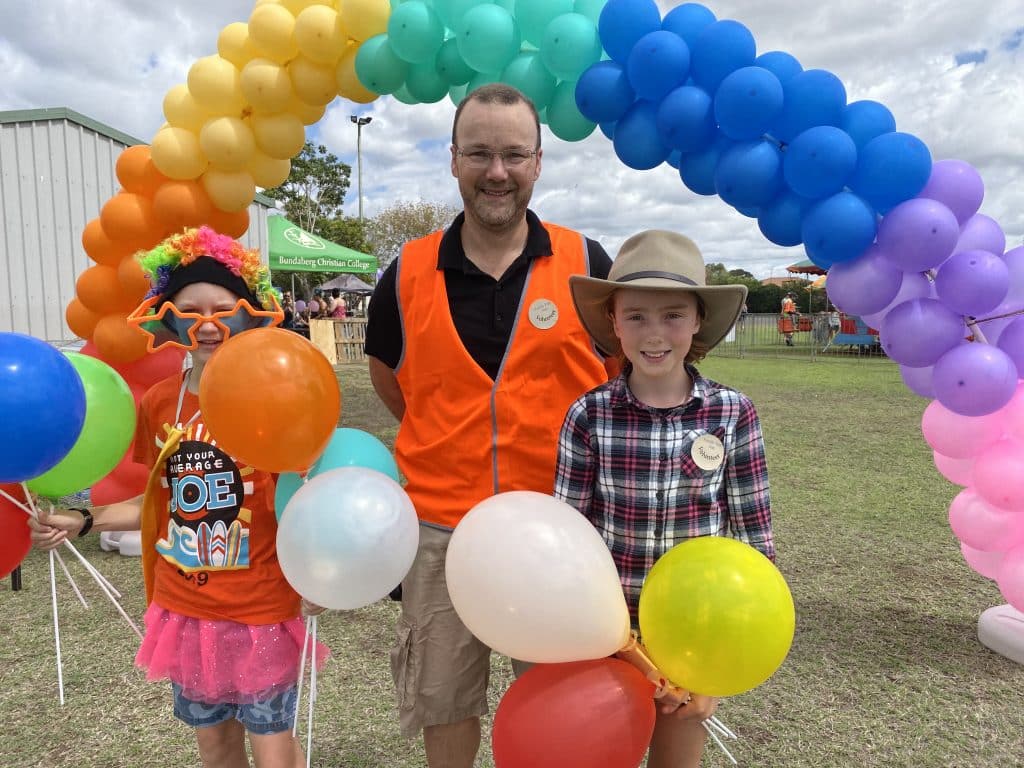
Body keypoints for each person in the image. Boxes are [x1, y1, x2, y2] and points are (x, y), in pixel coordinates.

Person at [363, 83, 615, 768]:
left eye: (512, 155)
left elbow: (618, 380)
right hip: (442, 530)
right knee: (444, 705)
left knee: (557, 702)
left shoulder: (588, 265)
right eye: (479, 153)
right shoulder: (405, 272)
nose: (496, 172)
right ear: (452, 160)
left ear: (538, 162)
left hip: (558, 530)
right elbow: (391, 377)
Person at [29, 226, 327, 768]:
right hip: (187, 610)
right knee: (215, 749)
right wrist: (83, 518)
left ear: (249, 312)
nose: (208, 325)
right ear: (168, 316)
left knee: (274, 751)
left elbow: (309, 501)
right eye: (190, 311)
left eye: (223, 308)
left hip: (263, 608)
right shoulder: (163, 402)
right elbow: (157, 501)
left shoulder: (281, 396)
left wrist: (321, 572)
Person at [555, 230, 775, 768]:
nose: (655, 334)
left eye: (673, 315)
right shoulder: (589, 414)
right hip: (604, 638)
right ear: (614, 322)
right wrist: (615, 643)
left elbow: (753, 546)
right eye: (636, 317)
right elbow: (567, 543)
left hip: (695, 638)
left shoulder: (732, 414)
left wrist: (716, 666)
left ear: (698, 320)